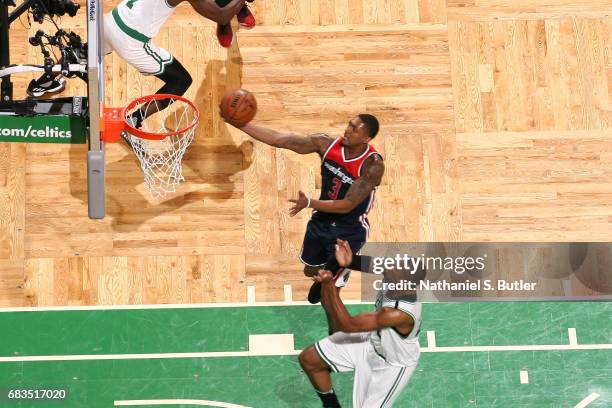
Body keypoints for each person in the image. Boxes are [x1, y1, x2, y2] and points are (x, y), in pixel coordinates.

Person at [222, 114, 384, 305]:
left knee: (323, 296)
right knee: (309, 269)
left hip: (349, 230)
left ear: (367, 139)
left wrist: (309, 203)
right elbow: (279, 139)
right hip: (321, 222)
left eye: (355, 129)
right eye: (349, 125)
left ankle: (340, 274)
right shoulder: (326, 144)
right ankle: (336, 270)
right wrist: (239, 122)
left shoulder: (373, 165)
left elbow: (347, 205)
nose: (347, 130)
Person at [299, 239, 421, 408]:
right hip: (373, 341)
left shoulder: (397, 313)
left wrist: (329, 286)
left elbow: (346, 325)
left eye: (394, 266)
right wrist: (349, 261)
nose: (388, 265)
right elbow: (373, 264)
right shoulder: (397, 279)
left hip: (391, 365)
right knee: (310, 359)